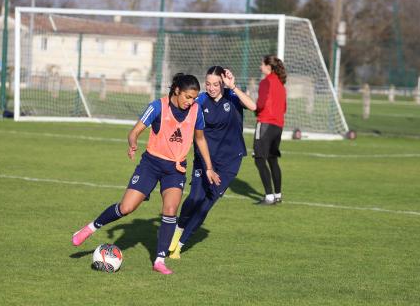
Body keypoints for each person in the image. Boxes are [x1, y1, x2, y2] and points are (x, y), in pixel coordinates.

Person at [71, 73, 220, 275]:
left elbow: (200, 140)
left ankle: (159, 260)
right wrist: (132, 143)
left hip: (175, 169)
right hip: (151, 164)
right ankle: (90, 228)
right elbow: (135, 131)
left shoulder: (196, 111)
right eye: (187, 97)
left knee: (170, 209)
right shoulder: (158, 106)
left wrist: (209, 167)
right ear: (177, 91)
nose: (190, 101)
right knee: (127, 207)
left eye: (194, 98)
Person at [168, 66, 256, 259]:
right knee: (194, 198)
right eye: (208, 84)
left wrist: (233, 87)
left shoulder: (232, 97)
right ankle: (177, 231)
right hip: (204, 158)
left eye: (216, 84)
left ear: (223, 83)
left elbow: (254, 107)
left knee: (206, 204)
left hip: (229, 162)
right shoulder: (199, 101)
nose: (212, 88)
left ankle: (180, 246)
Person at [254, 55, 287, 205]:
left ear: (268, 66)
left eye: (262, 64)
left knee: (260, 160)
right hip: (278, 126)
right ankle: (278, 195)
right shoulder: (280, 84)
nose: (260, 67)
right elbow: (284, 107)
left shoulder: (265, 82)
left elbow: (260, 105)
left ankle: (269, 197)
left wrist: (253, 108)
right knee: (272, 159)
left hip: (265, 124)